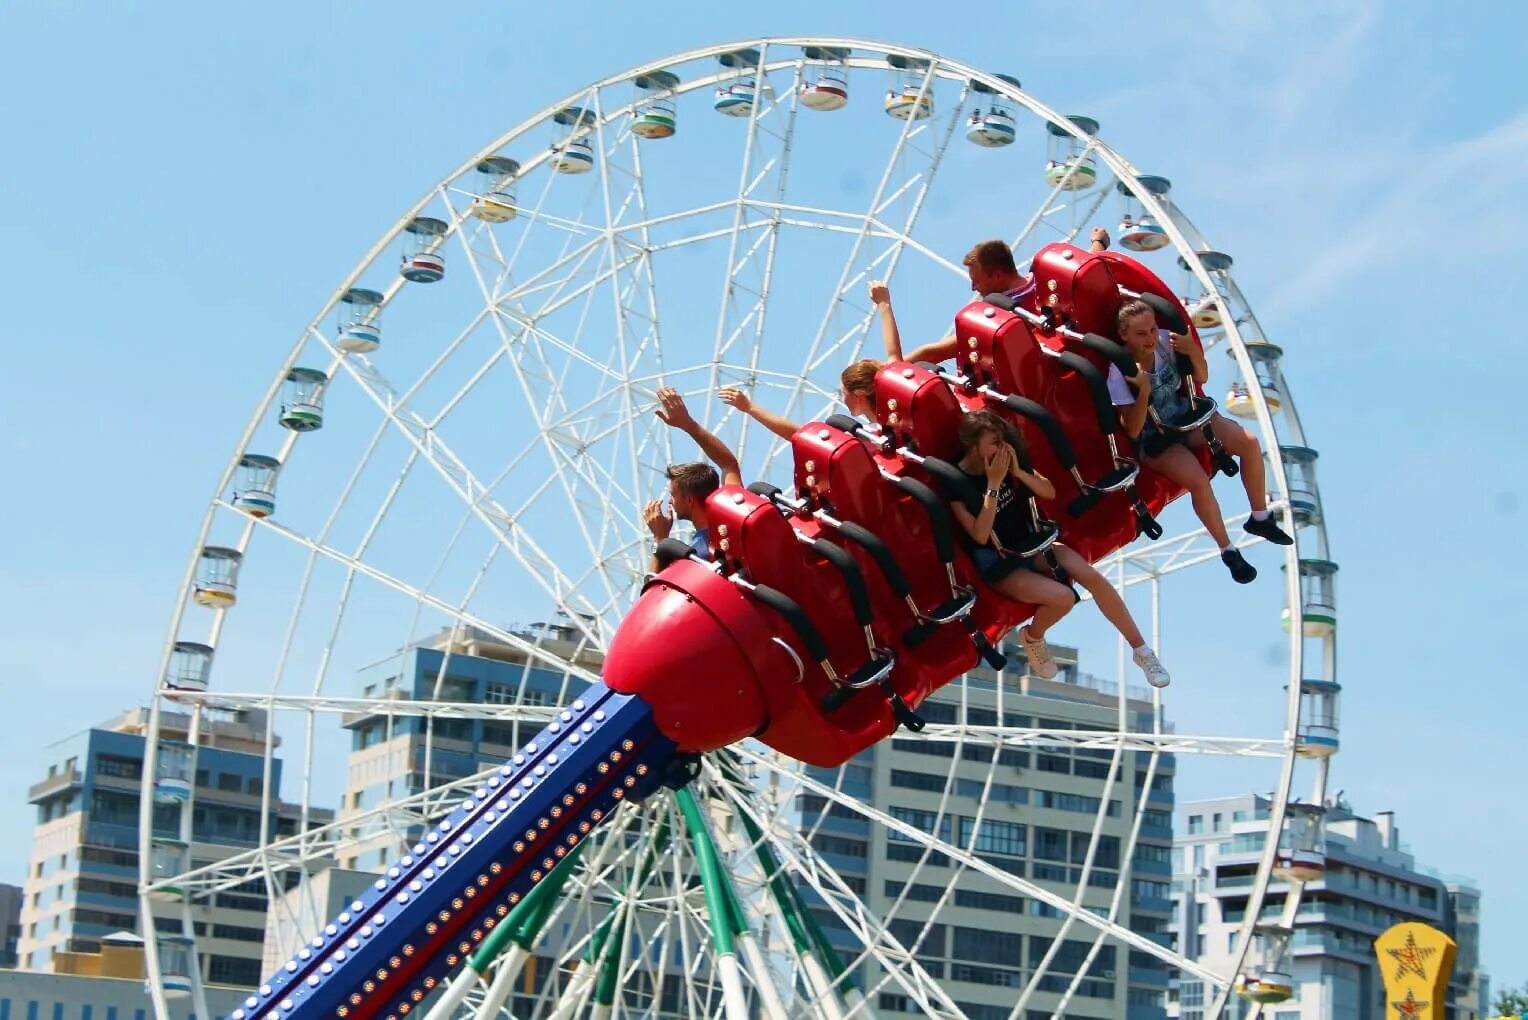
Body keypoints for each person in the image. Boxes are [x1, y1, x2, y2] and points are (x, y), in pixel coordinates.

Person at [949, 409, 1170, 687]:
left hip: (1029, 542)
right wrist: (993, 484)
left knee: (1092, 577)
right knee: (1064, 598)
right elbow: (980, 535)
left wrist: (1018, 473)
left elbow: (1048, 490)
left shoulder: (1004, 459)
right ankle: (1032, 636)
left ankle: (1141, 651)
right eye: (994, 441)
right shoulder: (957, 483)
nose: (1002, 447)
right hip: (1000, 560)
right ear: (973, 445)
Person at [1106, 299, 1293, 584]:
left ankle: (1260, 517)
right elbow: (1131, 430)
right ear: (1124, 336)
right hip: (1154, 438)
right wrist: (1142, 391)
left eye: (1153, 329)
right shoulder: (1118, 372)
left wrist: (1192, 350)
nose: (1151, 338)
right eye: (1141, 334)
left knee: (1249, 442)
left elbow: (1201, 376)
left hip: (1184, 415)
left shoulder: (1167, 342)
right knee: (1197, 479)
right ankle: (1228, 550)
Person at [643, 387, 743, 571]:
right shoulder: (736, 517)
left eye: (672, 495)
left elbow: (653, 590)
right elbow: (729, 463)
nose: (670, 502)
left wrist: (660, 538)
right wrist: (688, 424)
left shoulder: (694, 558)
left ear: (689, 499)